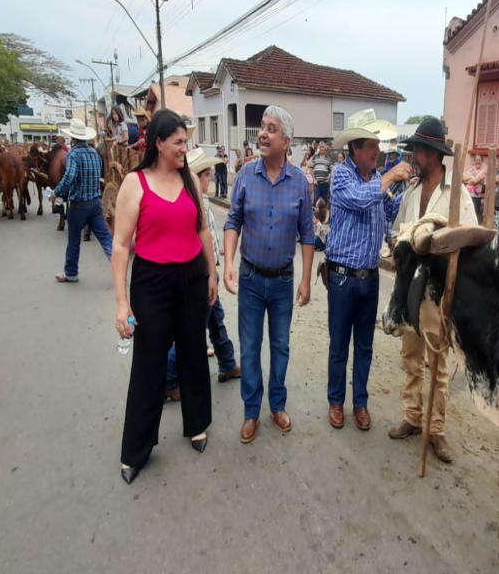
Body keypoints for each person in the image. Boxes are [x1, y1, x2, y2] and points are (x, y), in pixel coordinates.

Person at [112, 110, 218, 484]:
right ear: (158, 143)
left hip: (191, 275)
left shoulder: (190, 178)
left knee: (192, 352)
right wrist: (122, 303)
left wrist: (212, 274)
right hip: (151, 282)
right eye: (178, 143)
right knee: (149, 363)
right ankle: (136, 450)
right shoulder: (134, 184)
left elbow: (203, 230)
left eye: (185, 142)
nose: (184, 149)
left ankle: (197, 425)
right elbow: (122, 245)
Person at [387, 117, 476, 463]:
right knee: (411, 356)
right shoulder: (412, 191)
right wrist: (398, 246)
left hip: (438, 291)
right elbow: (399, 231)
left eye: (418, 152)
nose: (414, 159)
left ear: (433, 155)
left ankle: (435, 429)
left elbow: (467, 239)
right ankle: (412, 416)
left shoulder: (457, 194)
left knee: (438, 363)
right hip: (410, 287)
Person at [224, 106, 314, 445]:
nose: (262, 133)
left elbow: (307, 234)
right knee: (249, 348)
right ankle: (251, 411)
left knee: (280, 346)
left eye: (271, 128)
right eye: (262, 126)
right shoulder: (246, 175)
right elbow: (233, 221)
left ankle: (277, 405)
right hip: (249, 277)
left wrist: (305, 280)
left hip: (282, 281)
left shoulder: (301, 184)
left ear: (286, 141)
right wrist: (228, 263)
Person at [325, 121, 409, 431]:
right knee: (339, 345)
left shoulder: (377, 179)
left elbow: (385, 214)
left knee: (364, 346)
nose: (378, 152)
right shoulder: (342, 176)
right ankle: (336, 401)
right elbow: (361, 198)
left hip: (370, 277)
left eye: (378, 146)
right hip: (343, 278)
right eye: (371, 146)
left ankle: (360, 403)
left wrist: (404, 188)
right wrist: (390, 176)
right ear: (355, 149)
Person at [164, 148, 241, 403]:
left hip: (210, 274)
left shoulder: (201, 201)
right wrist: (210, 273)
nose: (209, 180)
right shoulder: (193, 203)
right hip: (202, 274)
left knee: (216, 319)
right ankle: (170, 380)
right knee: (193, 330)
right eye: (206, 175)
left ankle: (227, 362)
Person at [53, 119, 114, 282]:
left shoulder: (73, 154)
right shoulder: (94, 154)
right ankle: (119, 266)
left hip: (79, 204)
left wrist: (56, 192)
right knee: (105, 237)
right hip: (95, 202)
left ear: (73, 137)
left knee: (73, 239)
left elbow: (69, 177)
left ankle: (71, 273)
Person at [462, 153, 486, 223]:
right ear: (474, 161)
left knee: (474, 215)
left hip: (476, 197)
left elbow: (475, 181)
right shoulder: (471, 170)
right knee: (466, 215)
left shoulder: (483, 171)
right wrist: (473, 178)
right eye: (476, 160)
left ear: (482, 161)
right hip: (467, 196)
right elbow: (463, 178)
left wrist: (469, 179)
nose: (478, 161)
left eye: (479, 160)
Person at [311, 141, 332, 206]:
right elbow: (311, 168)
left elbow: (331, 170)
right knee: (316, 200)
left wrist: (329, 179)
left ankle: (323, 215)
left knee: (324, 201)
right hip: (317, 183)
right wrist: (314, 179)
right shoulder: (315, 157)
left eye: (323, 147)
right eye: (320, 147)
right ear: (318, 148)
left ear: (325, 148)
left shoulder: (328, 158)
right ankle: (316, 215)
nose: (322, 149)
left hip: (325, 183)